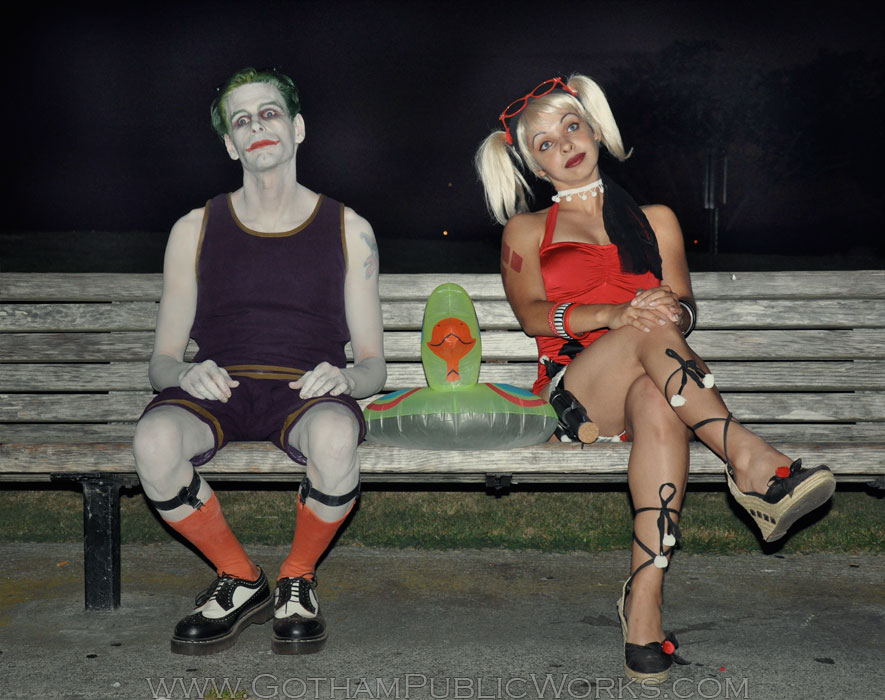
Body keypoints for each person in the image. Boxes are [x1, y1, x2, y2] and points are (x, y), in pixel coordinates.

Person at [474, 74, 836, 683]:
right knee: (645, 325)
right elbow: (534, 316)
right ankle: (748, 459)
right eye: (545, 143)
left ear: (595, 131)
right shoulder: (526, 231)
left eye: (571, 127)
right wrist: (616, 315)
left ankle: (643, 604)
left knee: (657, 388)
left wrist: (671, 310)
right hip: (574, 396)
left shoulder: (657, 220)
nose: (565, 145)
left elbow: (686, 308)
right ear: (535, 166)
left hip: (654, 381)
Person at [132, 67, 385, 656]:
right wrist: (184, 373)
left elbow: (374, 366)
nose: (257, 126)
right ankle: (241, 579)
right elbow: (161, 362)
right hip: (217, 387)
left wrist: (346, 377)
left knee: (336, 439)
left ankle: (297, 578)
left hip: (306, 389)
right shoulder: (193, 229)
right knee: (154, 441)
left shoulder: (349, 229)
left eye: (269, 113)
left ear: (297, 128)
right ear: (231, 144)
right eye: (241, 120)